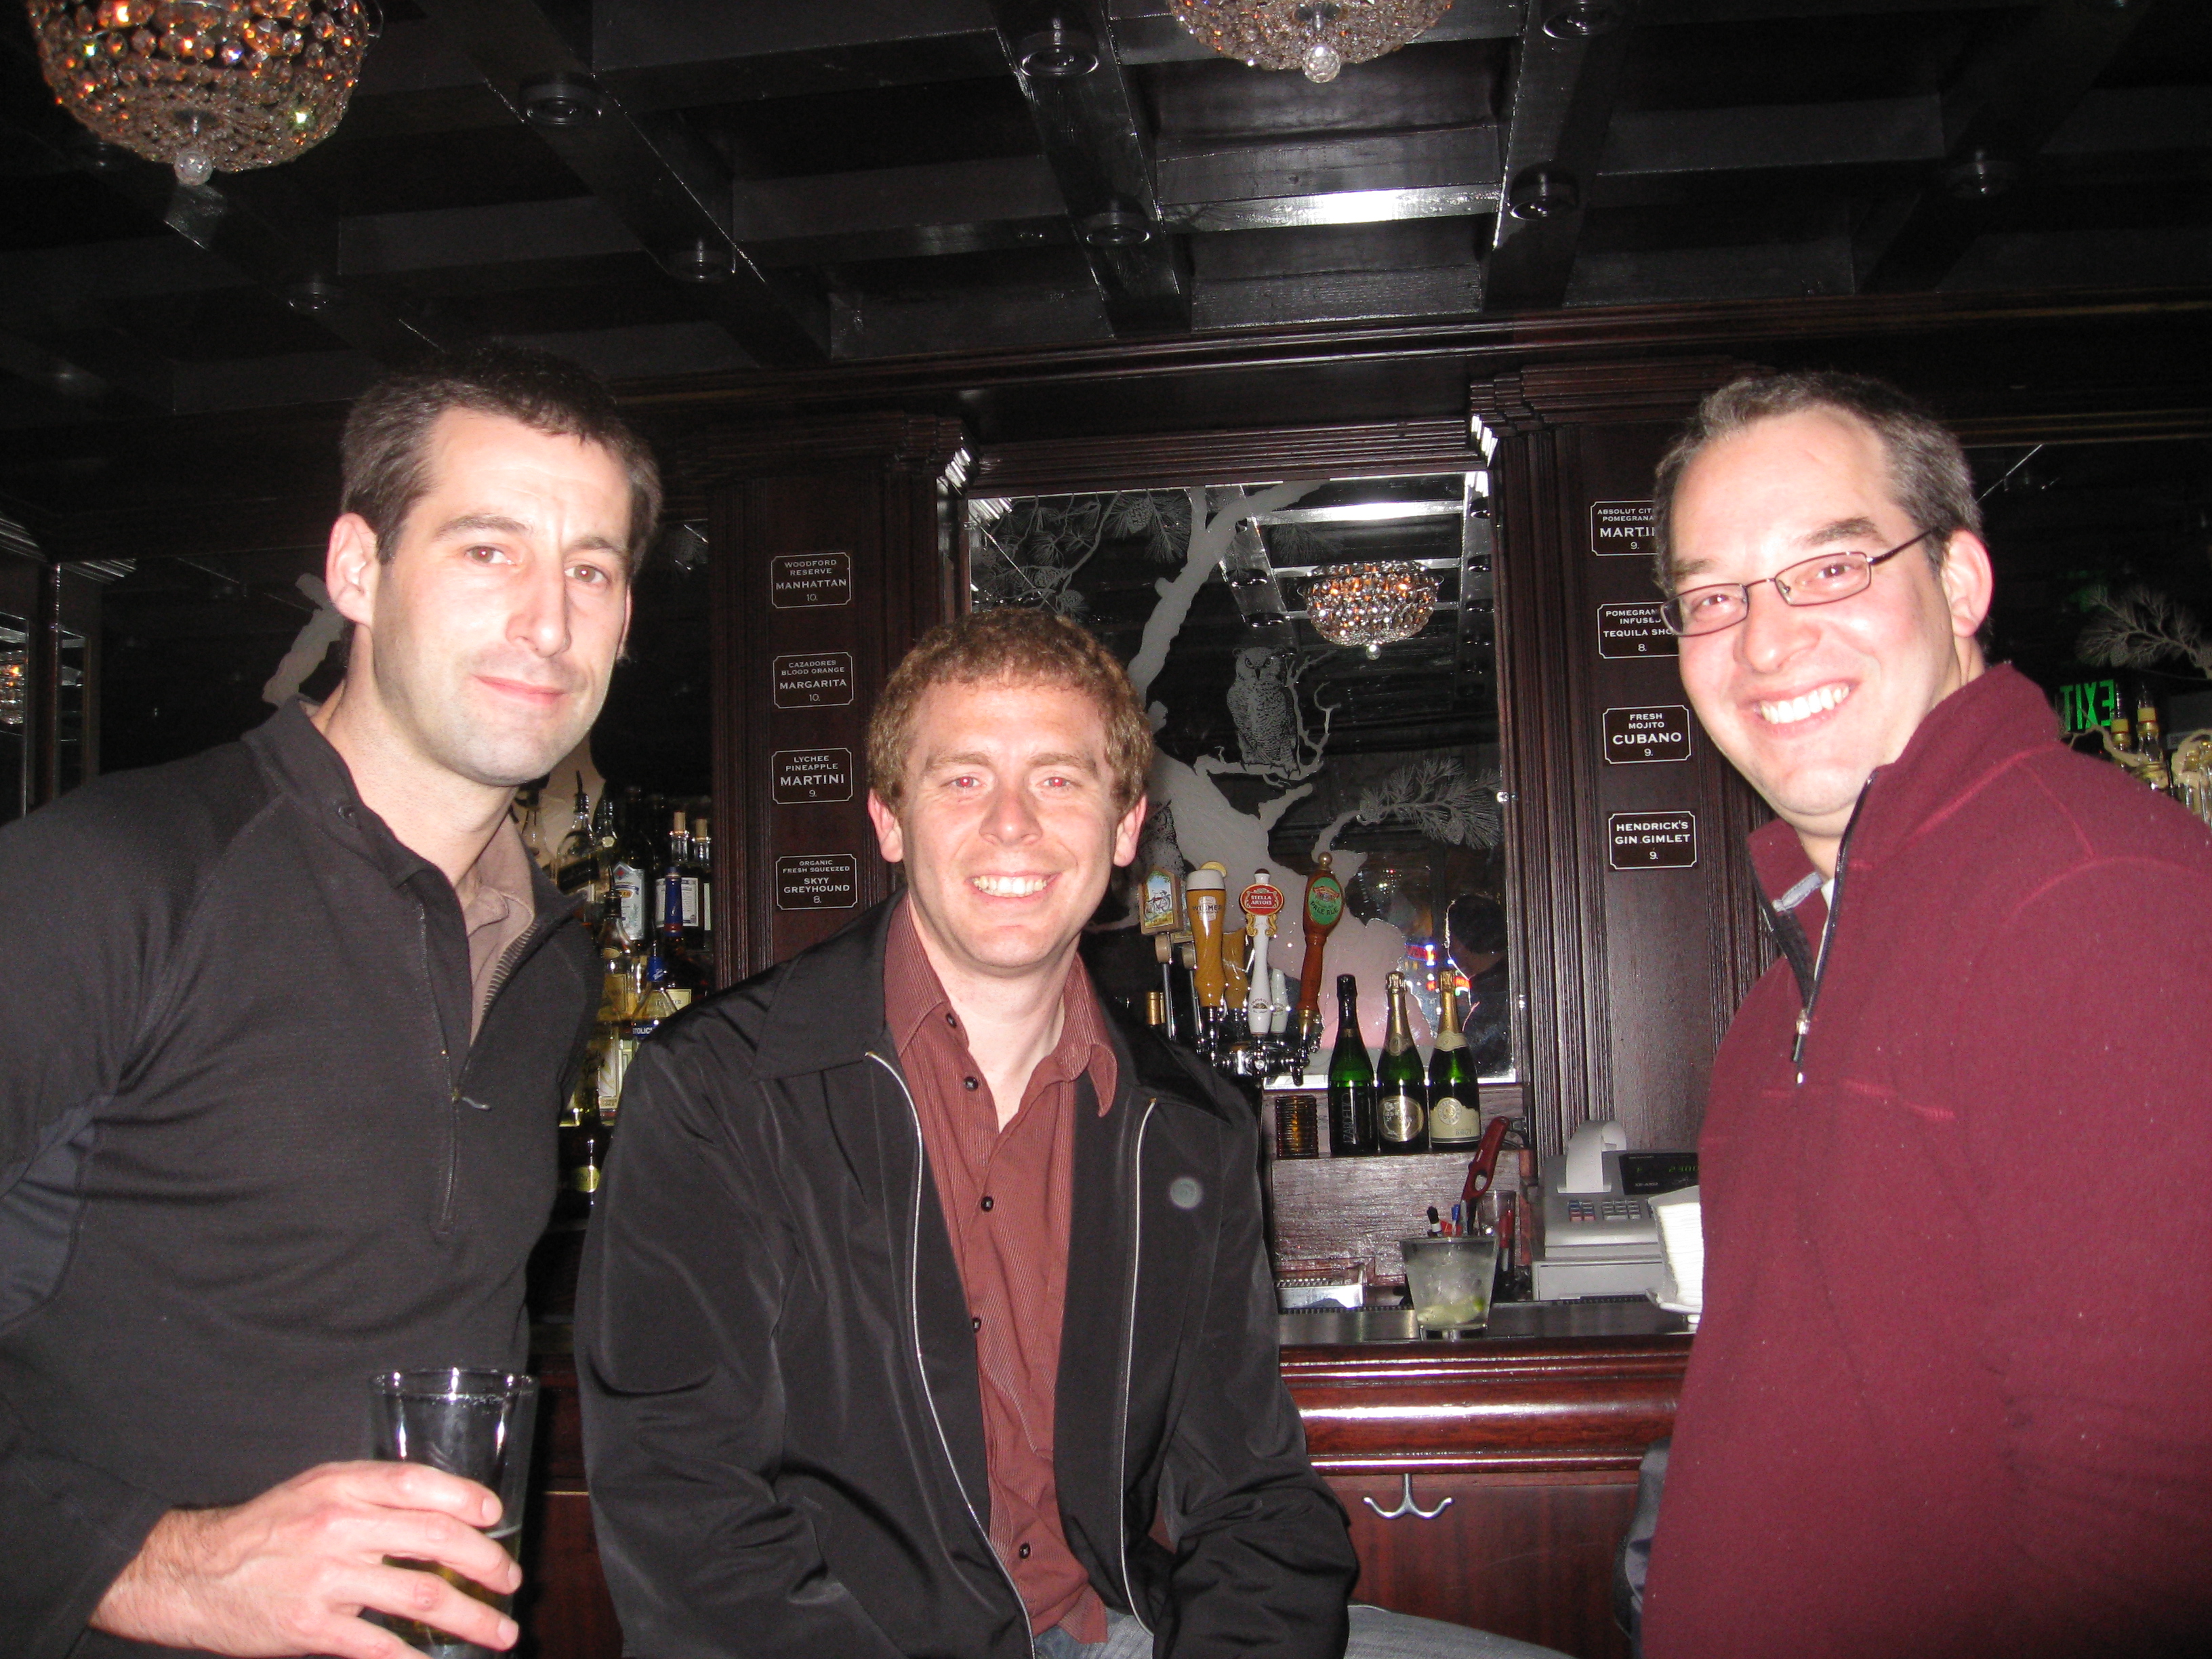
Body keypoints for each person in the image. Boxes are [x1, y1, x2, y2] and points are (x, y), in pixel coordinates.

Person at [577, 609, 1561, 1658]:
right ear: (889, 821)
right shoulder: (721, 1093)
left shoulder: (1192, 1127)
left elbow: (1254, 1496)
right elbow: (687, 1521)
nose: (1012, 824)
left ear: (1127, 827)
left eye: (1057, 779)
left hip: (1115, 1631)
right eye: (963, 779)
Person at [0, 344, 659, 1659]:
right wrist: (159, 1568)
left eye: (590, 570)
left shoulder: (547, 961)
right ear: (357, 569)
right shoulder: (116, 877)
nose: (549, 622)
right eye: (488, 550)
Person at [1637, 371, 2212, 1658]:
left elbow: (2152, 1531)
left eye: (1829, 570)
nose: (1764, 643)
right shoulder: (1792, 984)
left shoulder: (2091, 897)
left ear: (1959, 584)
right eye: (1714, 597)